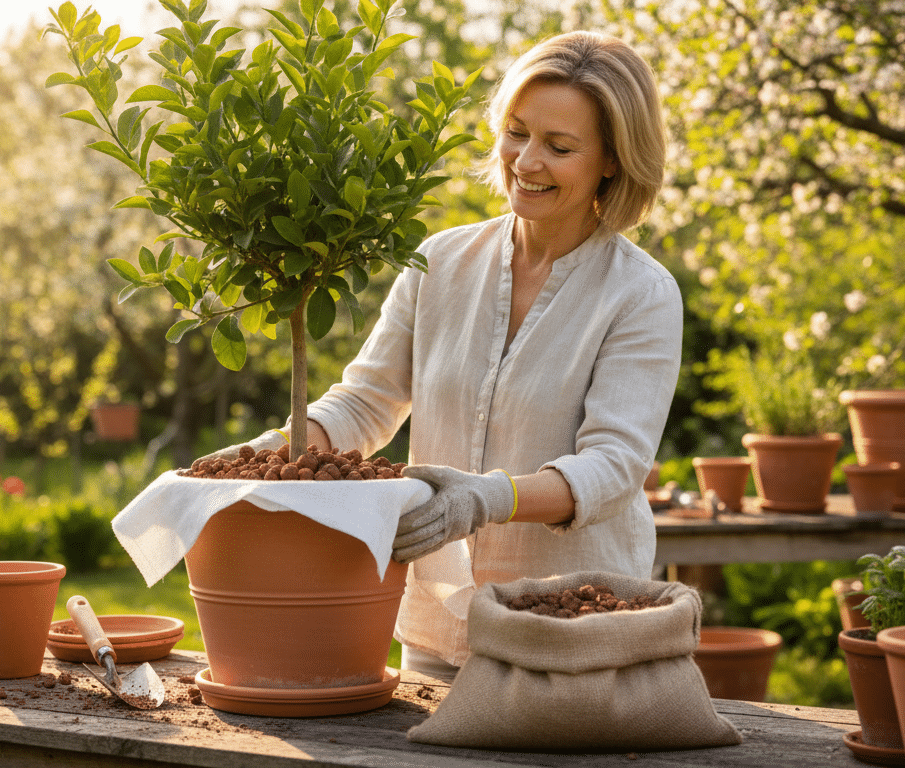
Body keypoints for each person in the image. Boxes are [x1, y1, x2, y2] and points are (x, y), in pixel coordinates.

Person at [206, 31, 682, 680]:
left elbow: (613, 465)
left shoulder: (640, 293)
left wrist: (486, 498)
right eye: (516, 132)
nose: (526, 161)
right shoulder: (440, 262)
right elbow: (366, 403)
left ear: (612, 160)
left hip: (571, 635)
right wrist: (266, 453)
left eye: (559, 147)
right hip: (436, 624)